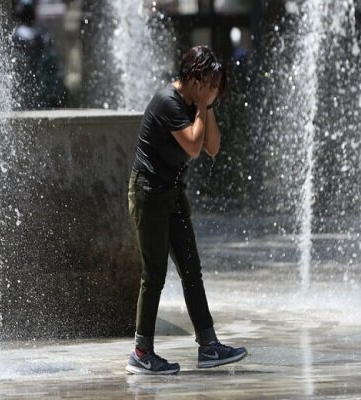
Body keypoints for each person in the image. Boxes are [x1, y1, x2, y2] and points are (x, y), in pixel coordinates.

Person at [125, 46, 247, 375]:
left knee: (192, 270)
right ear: (194, 77)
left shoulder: (198, 103)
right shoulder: (168, 101)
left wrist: (207, 107)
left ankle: (208, 346)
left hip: (172, 194)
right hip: (148, 194)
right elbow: (193, 146)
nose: (215, 89)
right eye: (211, 82)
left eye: (218, 84)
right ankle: (141, 351)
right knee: (154, 276)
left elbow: (212, 147)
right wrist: (204, 107)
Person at [11, 0, 67, 109]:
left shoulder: (17, 33)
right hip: (38, 73)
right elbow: (50, 52)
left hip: (27, 73)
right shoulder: (40, 32)